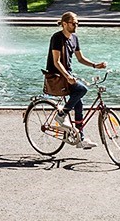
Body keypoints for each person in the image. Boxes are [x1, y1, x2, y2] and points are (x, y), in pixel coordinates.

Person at [43, 13, 106, 149]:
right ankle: (61, 114)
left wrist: (95, 65)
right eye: (73, 23)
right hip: (57, 76)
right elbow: (56, 61)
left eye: (77, 23)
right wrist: (67, 76)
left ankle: (80, 138)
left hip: (67, 74)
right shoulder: (57, 38)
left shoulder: (74, 38)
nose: (76, 25)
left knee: (79, 103)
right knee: (82, 89)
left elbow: (80, 58)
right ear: (64, 24)